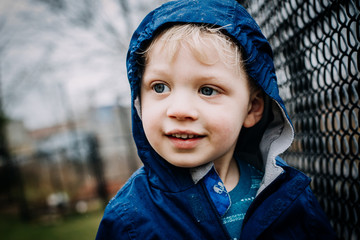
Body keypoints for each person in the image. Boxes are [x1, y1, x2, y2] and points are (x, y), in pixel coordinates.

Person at [96, 0, 336, 239]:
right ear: (139, 100)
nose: (179, 110)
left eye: (207, 90)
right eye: (160, 87)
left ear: (252, 109)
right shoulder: (128, 219)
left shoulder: (287, 194)